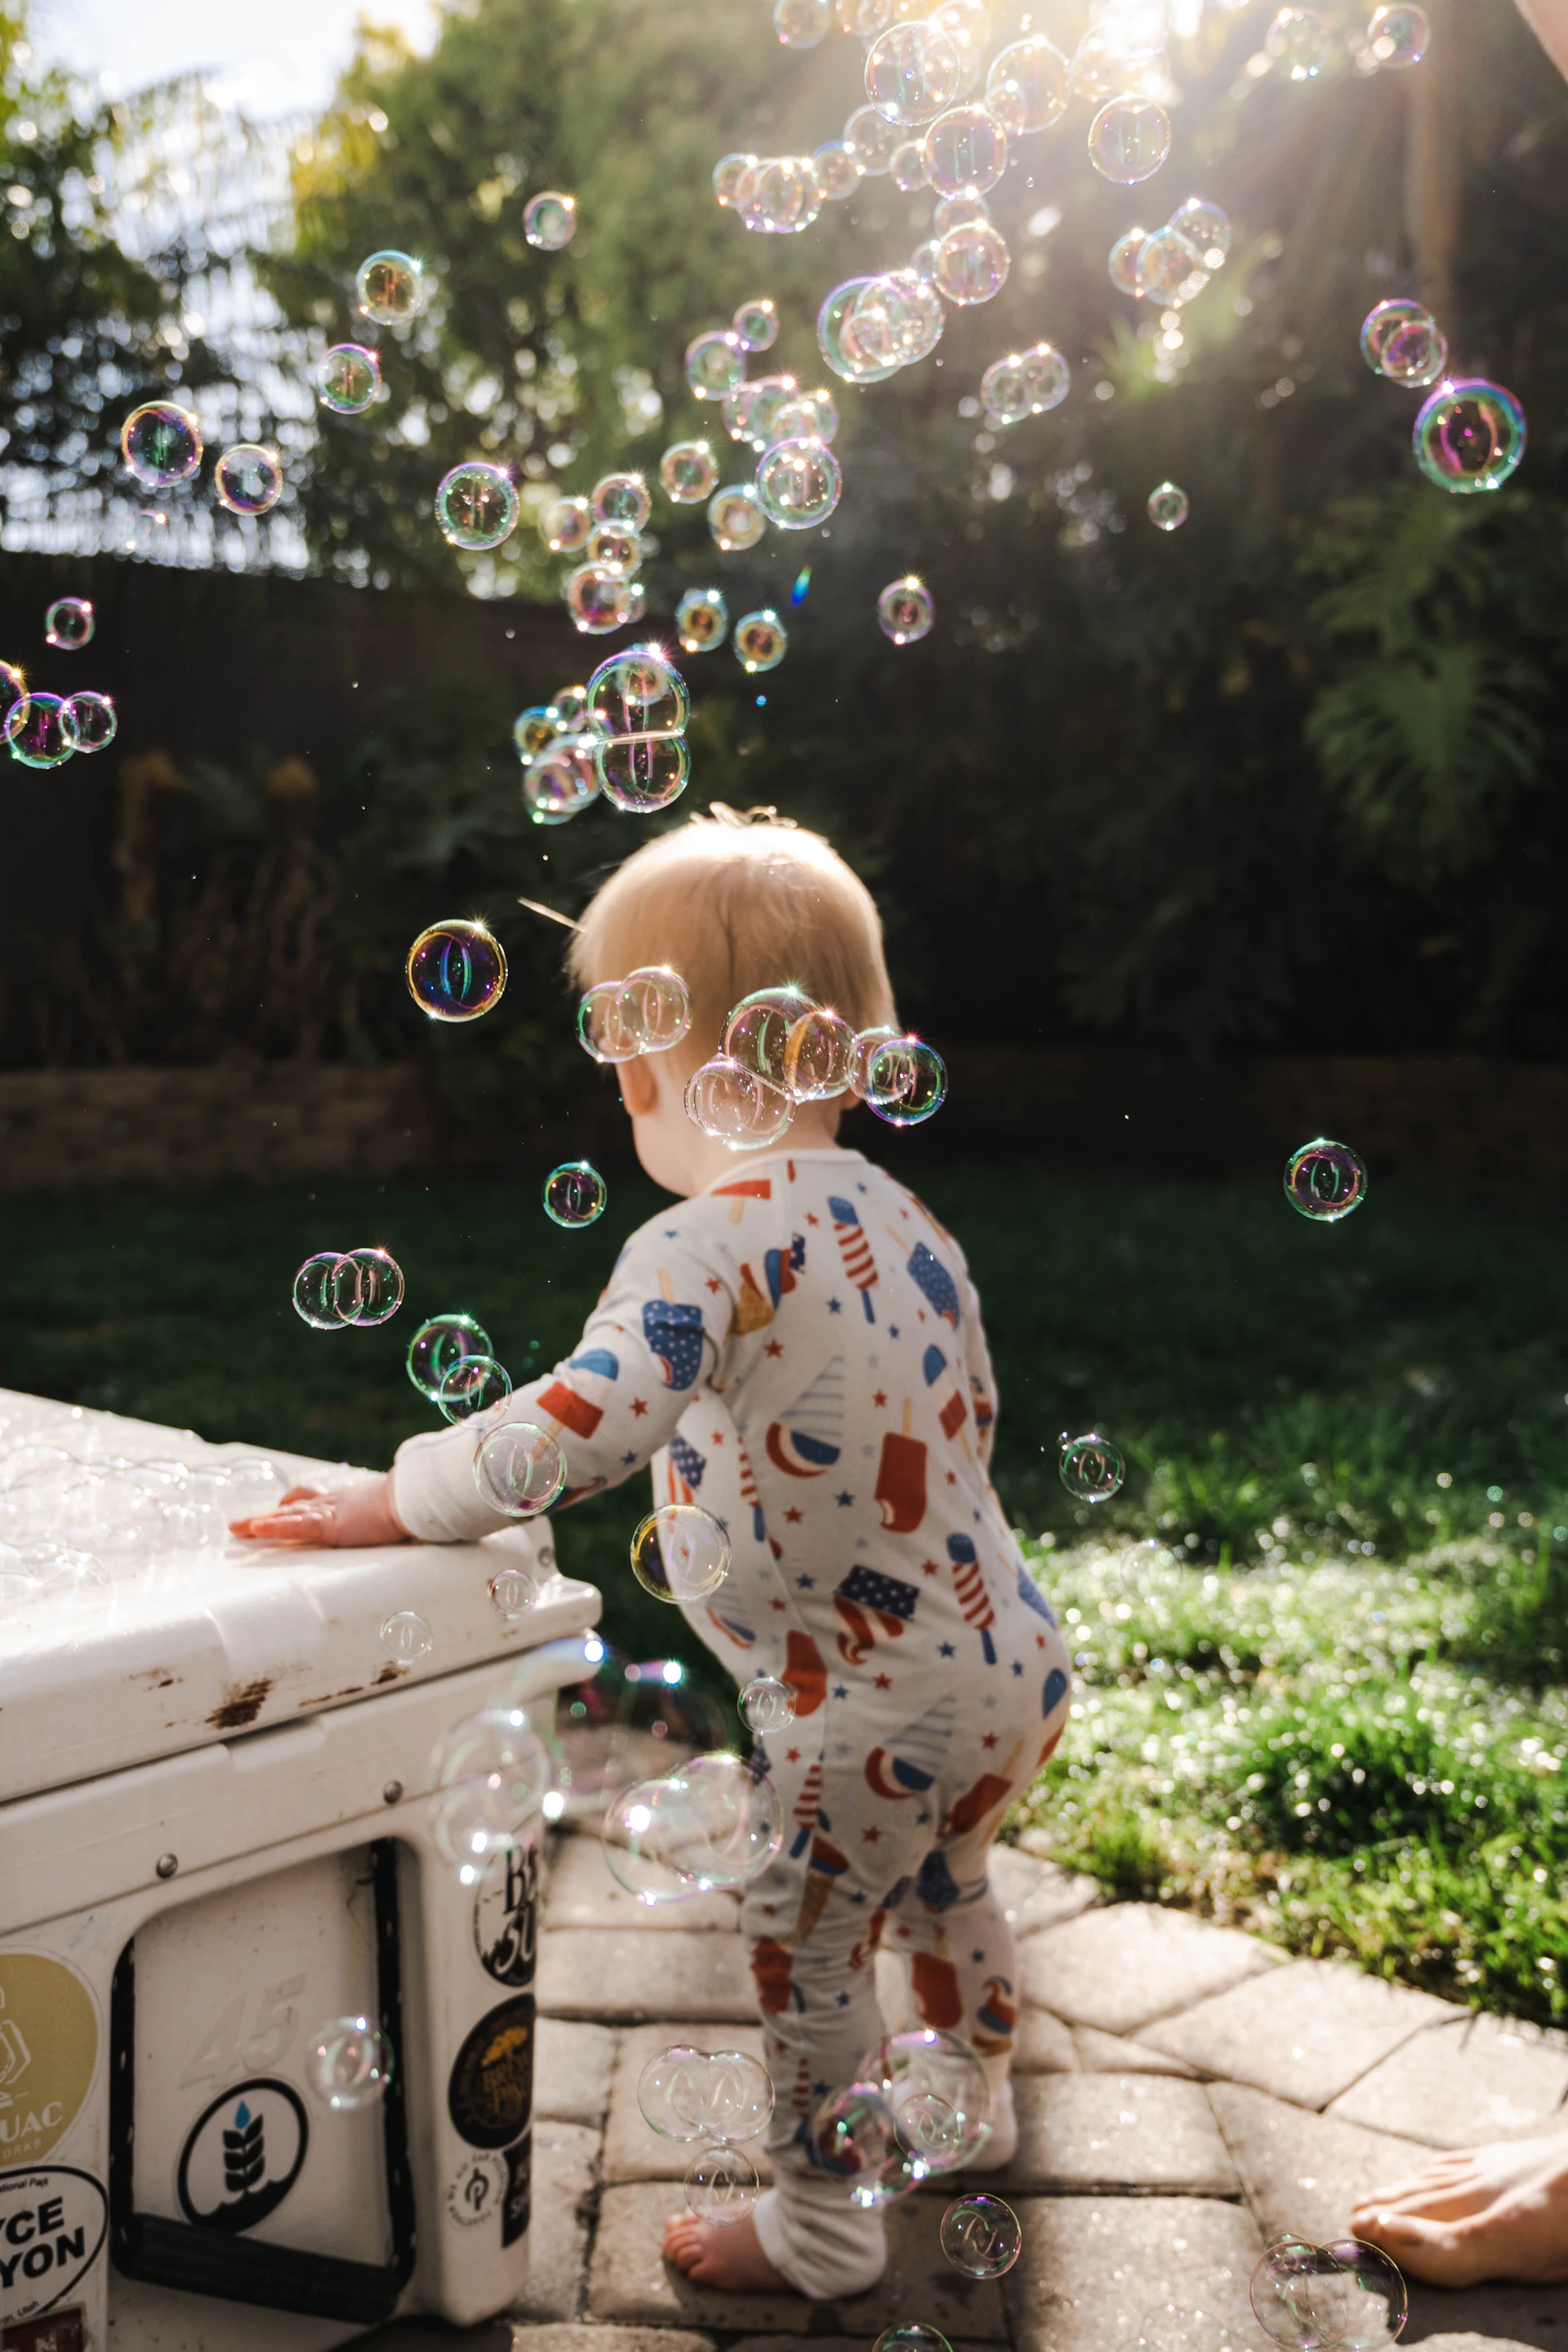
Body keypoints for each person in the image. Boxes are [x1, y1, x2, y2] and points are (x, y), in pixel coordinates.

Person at [233, 808, 1072, 2301]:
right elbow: (977, 1415)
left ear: (642, 1062)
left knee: (803, 1943)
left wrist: (404, 1494)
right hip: (1008, 1659)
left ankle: (822, 2226)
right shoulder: (915, 1219)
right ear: (852, 1043)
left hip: (860, 1704)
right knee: (951, 1884)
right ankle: (977, 2099)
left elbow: (585, 1423)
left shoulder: (701, 1241)